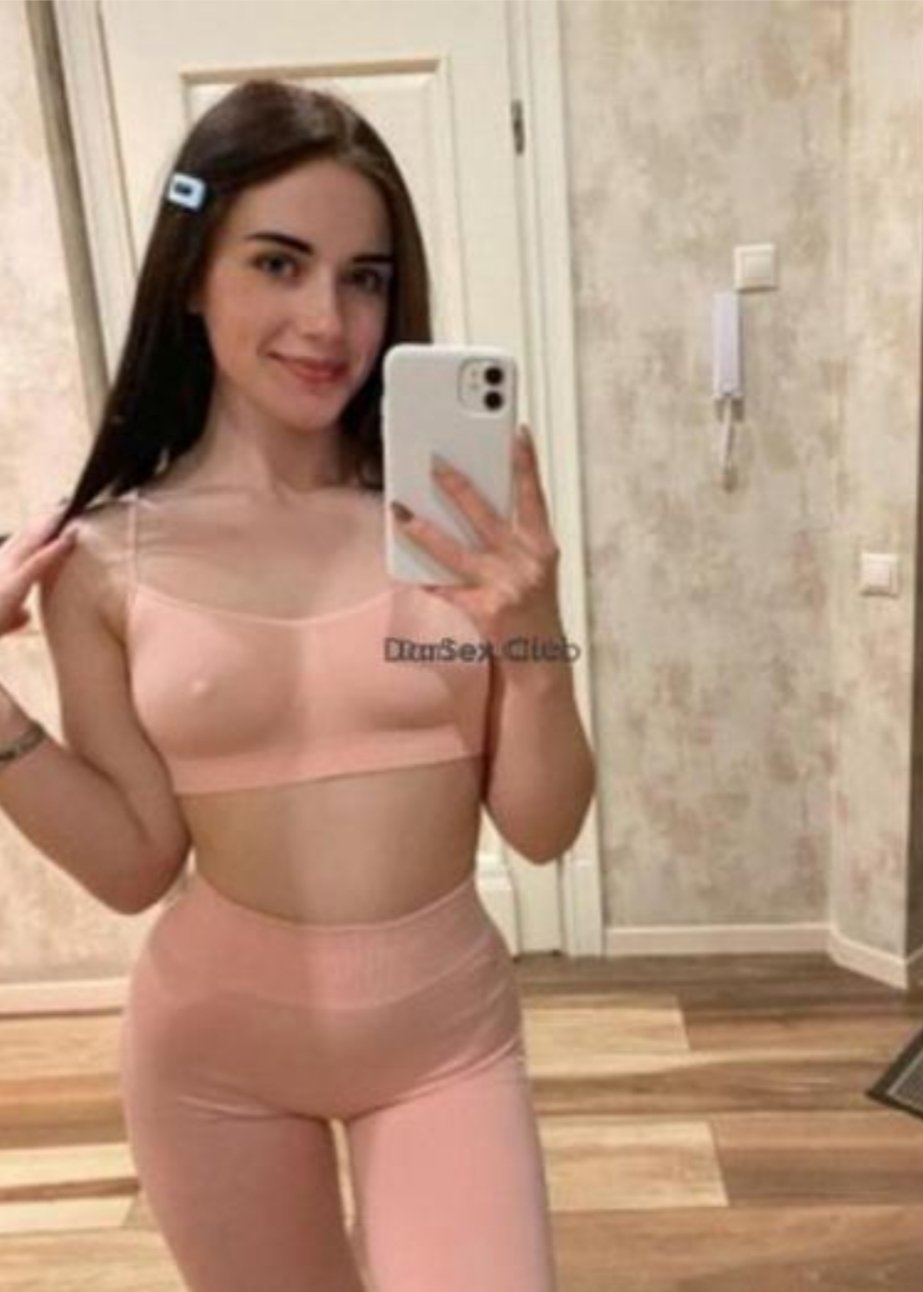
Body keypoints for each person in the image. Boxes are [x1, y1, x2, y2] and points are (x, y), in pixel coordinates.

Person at [0, 80, 596, 1292]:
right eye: (278, 263)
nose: (328, 321)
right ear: (192, 275)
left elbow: (543, 827)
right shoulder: (104, 556)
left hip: (445, 1042)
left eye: (364, 277)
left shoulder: (456, 524)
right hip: (213, 1056)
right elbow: (134, 864)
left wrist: (535, 636)